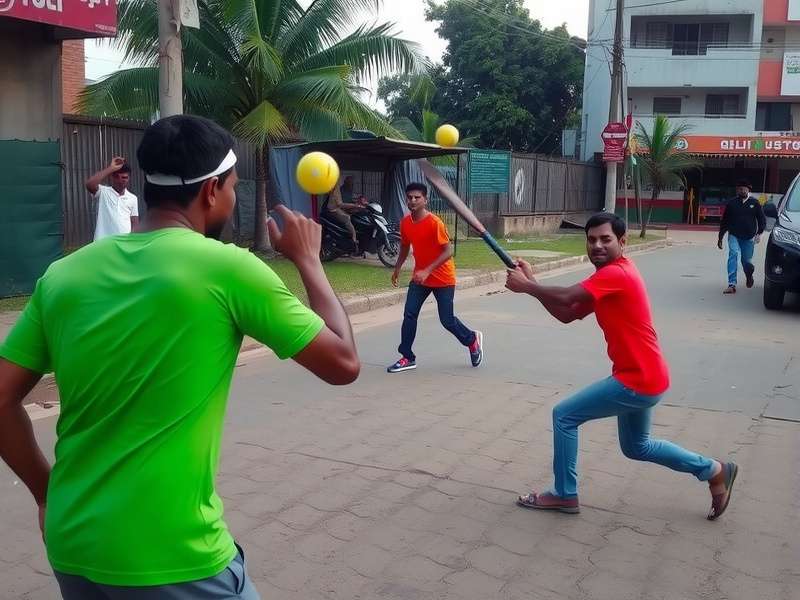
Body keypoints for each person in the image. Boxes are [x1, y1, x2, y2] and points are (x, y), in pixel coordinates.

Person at [0, 115, 360, 599]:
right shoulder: (228, 269)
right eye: (232, 187)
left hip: (75, 546)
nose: (232, 198)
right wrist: (309, 262)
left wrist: (47, 494)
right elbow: (343, 364)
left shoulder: (63, 275)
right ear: (211, 191)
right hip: (176, 557)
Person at [505, 212, 737, 519]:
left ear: (622, 242)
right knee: (637, 446)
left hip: (638, 379)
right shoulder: (607, 278)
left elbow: (569, 295)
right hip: (647, 376)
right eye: (591, 240)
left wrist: (527, 287)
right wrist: (532, 283)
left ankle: (564, 494)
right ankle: (715, 470)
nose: (597, 246)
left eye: (606, 239)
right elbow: (568, 312)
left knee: (564, 415)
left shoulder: (617, 274)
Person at [387, 182, 483, 373]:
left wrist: (428, 270)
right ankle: (407, 356)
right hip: (420, 279)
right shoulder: (405, 223)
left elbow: (449, 251)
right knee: (409, 314)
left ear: (425, 200)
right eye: (410, 197)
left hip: (442, 278)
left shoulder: (434, 223)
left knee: (447, 320)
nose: (413, 200)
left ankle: (471, 340)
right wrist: (397, 267)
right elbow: (405, 246)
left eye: (417, 197)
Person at [718, 180, 766, 294]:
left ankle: (749, 276)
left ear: (749, 190)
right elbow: (724, 221)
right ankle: (731, 284)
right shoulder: (731, 203)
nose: (742, 190)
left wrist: (759, 233)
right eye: (740, 188)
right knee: (733, 254)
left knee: (746, 261)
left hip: (749, 237)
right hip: (734, 234)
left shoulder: (755, 203)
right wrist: (720, 237)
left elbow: (762, 220)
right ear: (737, 190)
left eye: (744, 188)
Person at [85, 157, 139, 240]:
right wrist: (111, 168)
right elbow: (90, 184)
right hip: (102, 243)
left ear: (129, 178)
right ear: (113, 177)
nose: (121, 180)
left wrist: (132, 241)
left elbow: (135, 223)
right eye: (118, 177)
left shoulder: (133, 198)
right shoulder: (103, 192)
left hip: (123, 244)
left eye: (124, 177)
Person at [326, 176, 359, 246]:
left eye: (352, 182)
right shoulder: (337, 189)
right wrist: (354, 205)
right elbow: (340, 203)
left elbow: (348, 200)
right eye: (350, 182)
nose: (352, 184)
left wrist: (355, 204)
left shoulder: (344, 189)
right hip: (334, 209)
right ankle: (353, 240)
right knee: (347, 218)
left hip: (339, 208)